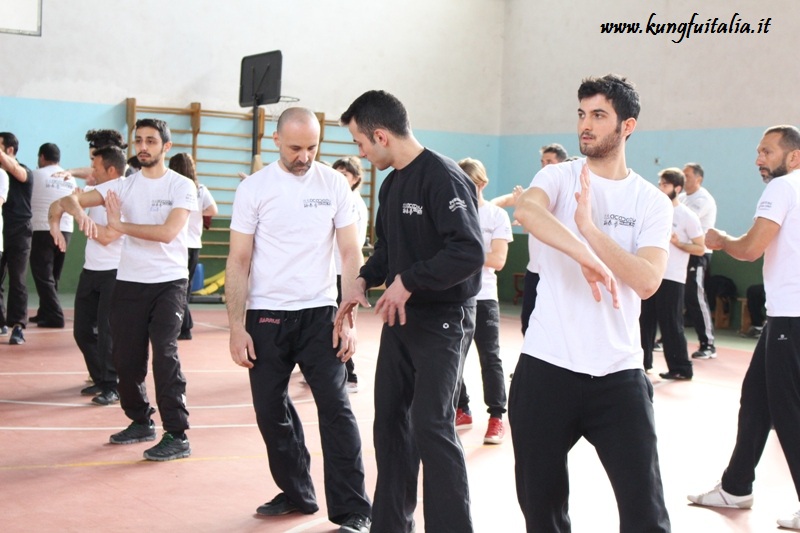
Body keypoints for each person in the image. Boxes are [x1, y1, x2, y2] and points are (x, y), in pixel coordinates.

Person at [509, 74, 672, 532]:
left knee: (646, 514)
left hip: (618, 376)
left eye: (599, 115)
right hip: (546, 368)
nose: (586, 124)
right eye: (582, 114)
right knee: (542, 511)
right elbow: (528, 212)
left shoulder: (651, 201)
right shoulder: (558, 176)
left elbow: (647, 280)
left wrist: (593, 231)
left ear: (627, 126)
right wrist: (582, 251)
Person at [339, 90, 484, 533]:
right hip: (400, 321)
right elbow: (387, 248)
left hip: (444, 321)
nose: (360, 153)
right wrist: (363, 278)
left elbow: (469, 250)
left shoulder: (444, 178)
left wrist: (410, 280)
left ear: (381, 135)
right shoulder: (393, 182)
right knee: (390, 426)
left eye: (361, 143)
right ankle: (390, 525)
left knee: (431, 425)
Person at [226, 108, 372, 533]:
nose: (304, 156)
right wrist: (237, 326)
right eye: (295, 148)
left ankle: (353, 509)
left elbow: (349, 254)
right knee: (270, 411)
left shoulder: (334, 186)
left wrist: (349, 318)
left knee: (336, 409)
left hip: (321, 314)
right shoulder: (254, 189)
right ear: (275, 141)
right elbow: (238, 260)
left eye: (312, 147)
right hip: (266, 314)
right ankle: (297, 492)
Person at [62, 118, 197, 461]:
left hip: (168, 281)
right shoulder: (123, 187)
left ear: (166, 147)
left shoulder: (181, 186)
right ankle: (140, 420)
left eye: (151, 141)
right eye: (139, 140)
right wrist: (77, 212)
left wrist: (119, 224)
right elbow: (74, 202)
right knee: (125, 357)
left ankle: (177, 434)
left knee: (164, 353)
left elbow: (168, 232)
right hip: (130, 281)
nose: (143, 147)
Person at [688, 125, 800, 530]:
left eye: (767, 152)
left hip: (791, 315)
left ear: (793, 157)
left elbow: (751, 249)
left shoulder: (782, 189)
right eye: (757, 151)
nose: (758, 159)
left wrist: (720, 240)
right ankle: (737, 485)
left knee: (788, 410)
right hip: (783, 317)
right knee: (756, 400)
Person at [50, 144, 126, 406]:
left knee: (107, 332)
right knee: (82, 330)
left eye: (95, 168)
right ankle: (99, 377)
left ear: (111, 170)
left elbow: (106, 237)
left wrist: (81, 219)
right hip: (91, 271)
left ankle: (113, 385)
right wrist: (57, 225)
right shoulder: (95, 193)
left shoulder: (125, 195)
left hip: (116, 272)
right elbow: (63, 202)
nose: (91, 172)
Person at [452, 157, 513, 444]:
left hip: (485, 298)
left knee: (490, 358)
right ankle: (461, 409)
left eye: (470, 185)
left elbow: (499, 260)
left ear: (482, 184)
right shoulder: (451, 212)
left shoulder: (496, 217)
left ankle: (497, 416)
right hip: (455, 296)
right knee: (452, 358)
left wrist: (462, 258)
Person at [492, 143, 568, 334]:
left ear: (561, 163)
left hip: (557, 272)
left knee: (554, 325)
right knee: (527, 323)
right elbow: (508, 200)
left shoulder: (567, 193)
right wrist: (489, 209)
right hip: (534, 271)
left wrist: (528, 216)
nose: (544, 166)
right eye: (542, 161)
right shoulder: (538, 190)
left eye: (549, 161)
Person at [640, 167, 704, 379]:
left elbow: (700, 248)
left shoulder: (687, 216)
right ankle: (641, 363)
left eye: (665, 185)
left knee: (671, 324)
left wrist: (679, 243)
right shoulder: (654, 210)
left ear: (677, 188)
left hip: (672, 277)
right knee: (644, 321)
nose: (661, 188)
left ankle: (681, 368)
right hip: (651, 273)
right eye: (660, 184)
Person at [168, 153, 218, 340]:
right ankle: (182, 325)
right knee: (184, 287)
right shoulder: (199, 189)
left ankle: (184, 325)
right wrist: (197, 212)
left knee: (176, 286)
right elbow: (213, 209)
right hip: (194, 244)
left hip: (176, 242)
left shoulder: (173, 188)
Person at [331, 156, 369, 393]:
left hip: (344, 271)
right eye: (336, 172)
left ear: (355, 179)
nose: (339, 176)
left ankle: (350, 375)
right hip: (332, 269)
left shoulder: (352, 203)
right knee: (331, 323)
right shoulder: (341, 200)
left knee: (343, 323)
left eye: (345, 173)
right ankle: (332, 369)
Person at [29, 143, 77, 328]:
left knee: (43, 275)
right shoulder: (69, 177)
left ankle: (56, 316)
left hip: (43, 228)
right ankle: (45, 312)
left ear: (42, 157)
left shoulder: (35, 175)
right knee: (53, 275)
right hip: (66, 229)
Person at [680, 162, 718, 359]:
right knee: (676, 296)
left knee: (695, 296)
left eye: (687, 175)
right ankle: (671, 337)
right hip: (679, 253)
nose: (684, 178)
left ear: (698, 178)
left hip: (698, 253)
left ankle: (708, 344)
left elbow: (687, 220)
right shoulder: (681, 198)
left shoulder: (703, 199)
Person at [0, 132, 34, 344]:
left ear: (10, 150)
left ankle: (18, 326)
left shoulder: (24, 171)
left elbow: (15, 170)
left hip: (20, 231)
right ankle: (1, 322)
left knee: (18, 279)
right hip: (1, 231)